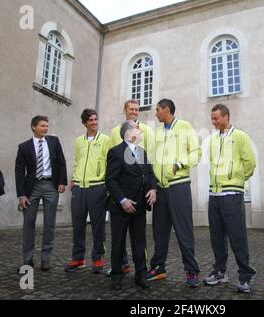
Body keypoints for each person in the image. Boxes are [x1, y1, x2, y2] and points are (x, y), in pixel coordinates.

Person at [147, 98, 202, 287]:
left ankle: (192, 271)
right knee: (159, 231)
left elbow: (196, 152)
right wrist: (152, 184)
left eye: (158, 110)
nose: (156, 113)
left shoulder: (185, 126)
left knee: (183, 230)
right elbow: (152, 159)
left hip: (179, 186)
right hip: (160, 189)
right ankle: (158, 268)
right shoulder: (158, 132)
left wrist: (180, 164)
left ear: (167, 110)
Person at [203, 104, 257, 293]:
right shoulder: (212, 140)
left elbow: (250, 162)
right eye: (212, 118)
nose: (213, 121)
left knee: (237, 237)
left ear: (226, 117)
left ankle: (245, 276)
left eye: (216, 118)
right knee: (216, 237)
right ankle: (220, 271)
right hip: (214, 194)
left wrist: (237, 180)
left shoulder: (240, 137)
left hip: (232, 194)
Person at [106, 120, 157, 290]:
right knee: (118, 243)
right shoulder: (115, 152)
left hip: (140, 206)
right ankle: (116, 276)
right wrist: (122, 200)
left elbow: (149, 174)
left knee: (139, 243)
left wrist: (153, 189)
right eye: (137, 129)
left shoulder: (142, 152)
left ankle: (141, 275)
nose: (141, 131)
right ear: (129, 133)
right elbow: (110, 180)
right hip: (122, 207)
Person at [15, 115, 67, 272]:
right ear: (33, 127)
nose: (46, 128)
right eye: (42, 126)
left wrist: (61, 182)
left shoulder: (54, 141)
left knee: (49, 224)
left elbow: (61, 161)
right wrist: (21, 194)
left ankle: (46, 259)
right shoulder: (23, 147)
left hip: (51, 185)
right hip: (32, 188)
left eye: (47, 126)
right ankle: (28, 260)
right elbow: (19, 171)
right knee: (28, 224)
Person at [65, 109, 110, 274]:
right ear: (85, 123)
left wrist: (107, 184)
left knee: (98, 226)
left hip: (97, 187)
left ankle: (98, 259)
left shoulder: (105, 140)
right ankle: (78, 258)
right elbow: (77, 161)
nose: (94, 122)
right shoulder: (79, 141)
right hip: (78, 188)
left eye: (95, 119)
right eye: (90, 120)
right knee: (78, 225)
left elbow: (109, 163)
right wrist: (73, 179)